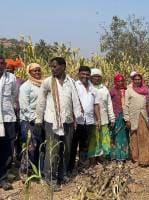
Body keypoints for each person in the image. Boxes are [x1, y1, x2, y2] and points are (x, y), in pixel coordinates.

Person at [35, 57, 83, 190]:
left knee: (65, 149)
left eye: (55, 66)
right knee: (52, 149)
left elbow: (75, 101)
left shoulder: (71, 82)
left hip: (67, 121)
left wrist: (78, 118)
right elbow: (41, 102)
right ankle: (50, 177)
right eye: (51, 67)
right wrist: (39, 120)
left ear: (63, 66)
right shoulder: (47, 82)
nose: (52, 69)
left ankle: (61, 174)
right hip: (52, 121)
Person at [68, 66, 101, 172]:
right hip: (77, 121)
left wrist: (98, 119)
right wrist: (73, 118)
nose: (85, 76)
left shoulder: (93, 88)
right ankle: (70, 167)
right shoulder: (74, 86)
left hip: (89, 121)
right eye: (83, 74)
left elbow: (96, 105)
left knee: (84, 145)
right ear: (79, 74)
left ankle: (82, 166)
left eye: (87, 74)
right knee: (72, 145)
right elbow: (70, 103)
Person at [124, 72, 149, 166]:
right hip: (133, 116)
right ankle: (136, 158)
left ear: (141, 80)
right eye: (135, 79)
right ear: (133, 80)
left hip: (144, 116)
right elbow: (126, 105)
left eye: (139, 79)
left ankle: (147, 158)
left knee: (145, 136)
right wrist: (127, 119)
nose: (137, 81)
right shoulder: (129, 90)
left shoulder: (146, 90)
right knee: (134, 137)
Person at [19, 63, 43, 170]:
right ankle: (27, 170)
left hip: (41, 120)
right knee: (30, 146)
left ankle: (38, 169)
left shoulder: (43, 84)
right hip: (29, 121)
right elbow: (24, 106)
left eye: (38, 70)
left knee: (40, 145)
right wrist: (33, 118)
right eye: (34, 71)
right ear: (29, 72)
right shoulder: (26, 86)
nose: (37, 72)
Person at [89, 68, 115, 160]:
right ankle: (92, 158)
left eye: (98, 77)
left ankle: (101, 157)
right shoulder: (88, 88)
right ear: (91, 78)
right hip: (91, 120)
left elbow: (109, 104)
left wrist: (112, 118)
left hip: (104, 119)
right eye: (94, 76)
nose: (97, 78)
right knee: (93, 140)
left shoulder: (104, 89)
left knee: (103, 139)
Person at [0, 55, 18, 190]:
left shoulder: (11, 78)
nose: (0, 65)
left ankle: (3, 178)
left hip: (7, 118)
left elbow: (14, 96)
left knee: (6, 149)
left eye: (2, 63)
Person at [110, 73, 129, 161]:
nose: (120, 83)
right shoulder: (112, 91)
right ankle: (116, 155)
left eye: (122, 81)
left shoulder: (127, 90)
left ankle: (124, 155)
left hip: (126, 116)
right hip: (116, 116)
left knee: (125, 135)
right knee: (116, 135)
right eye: (118, 81)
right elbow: (108, 104)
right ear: (115, 81)